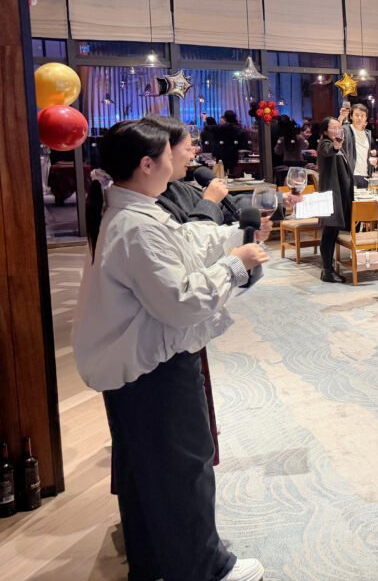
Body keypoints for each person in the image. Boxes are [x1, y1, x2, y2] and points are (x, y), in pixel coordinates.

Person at [75, 119, 268, 581]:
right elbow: (181, 302)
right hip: (154, 367)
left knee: (147, 469)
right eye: (171, 152)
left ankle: (156, 562)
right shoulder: (134, 225)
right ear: (147, 164)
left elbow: (184, 244)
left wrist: (234, 238)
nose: (185, 157)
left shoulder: (133, 210)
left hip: (136, 367)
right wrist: (234, 266)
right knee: (183, 466)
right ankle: (204, 569)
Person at [317, 117, 355, 284]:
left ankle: (328, 269)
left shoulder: (338, 145)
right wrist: (335, 146)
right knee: (329, 233)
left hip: (339, 195)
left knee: (332, 233)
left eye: (338, 127)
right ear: (325, 131)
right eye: (332, 127)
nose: (337, 130)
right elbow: (328, 150)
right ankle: (327, 270)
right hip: (331, 196)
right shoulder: (325, 144)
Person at [343, 103, 376, 189]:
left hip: (365, 175)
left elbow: (369, 153)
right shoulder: (346, 130)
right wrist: (341, 118)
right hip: (351, 175)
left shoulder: (368, 134)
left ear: (366, 118)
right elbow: (337, 133)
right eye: (356, 115)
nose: (359, 118)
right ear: (351, 116)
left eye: (362, 115)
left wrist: (372, 157)